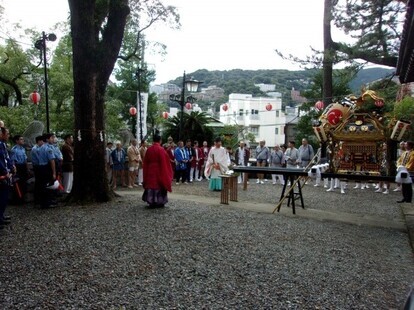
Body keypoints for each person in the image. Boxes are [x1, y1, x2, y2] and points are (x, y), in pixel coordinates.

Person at [142, 134, 173, 208]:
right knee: (159, 184)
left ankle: (151, 201)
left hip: (150, 170)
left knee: (151, 184)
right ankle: (159, 201)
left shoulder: (149, 149)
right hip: (159, 169)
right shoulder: (161, 149)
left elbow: (145, 161)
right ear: (160, 140)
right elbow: (164, 161)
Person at [0, 127, 13, 229]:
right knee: (2, 197)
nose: (8, 135)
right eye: (6, 133)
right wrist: (4, 171)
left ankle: (1, 216)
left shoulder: (3, 144)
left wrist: (11, 167)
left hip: (6, 172)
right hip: (2, 174)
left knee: (4, 197)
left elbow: (6, 158)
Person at [10, 135, 29, 203]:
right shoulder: (14, 150)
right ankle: (17, 199)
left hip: (23, 167)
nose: (23, 140)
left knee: (24, 183)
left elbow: (25, 159)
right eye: (21, 139)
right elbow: (13, 161)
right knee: (18, 184)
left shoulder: (23, 149)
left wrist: (27, 168)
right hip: (18, 167)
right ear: (17, 141)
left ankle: (23, 198)